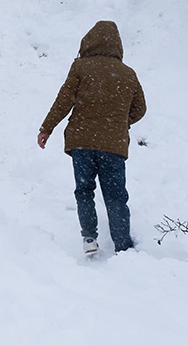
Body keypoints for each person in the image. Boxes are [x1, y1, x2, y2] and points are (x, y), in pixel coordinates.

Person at [37, 20, 146, 255]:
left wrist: (47, 128)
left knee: (84, 190)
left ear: (89, 41)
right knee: (116, 195)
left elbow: (63, 100)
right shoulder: (128, 74)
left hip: (82, 142)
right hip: (113, 146)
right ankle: (123, 246)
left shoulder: (80, 67)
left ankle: (89, 238)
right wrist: (119, 123)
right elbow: (140, 109)